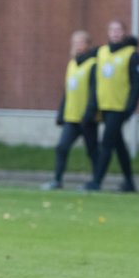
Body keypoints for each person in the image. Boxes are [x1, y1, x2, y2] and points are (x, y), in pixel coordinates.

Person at [83, 19, 139, 192]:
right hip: (104, 106)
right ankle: (129, 182)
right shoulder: (101, 52)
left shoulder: (131, 54)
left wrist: (130, 108)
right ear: (108, 33)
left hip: (119, 107)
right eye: (112, 30)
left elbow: (136, 84)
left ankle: (97, 181)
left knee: (107, 143)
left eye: (119, 30)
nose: (115, 33)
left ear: (124, 33)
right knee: (119, 145)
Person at [42, 30, 99, 190]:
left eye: (81, 43)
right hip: (71, 116)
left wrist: (90, 113)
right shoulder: (72, 64)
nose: (78, 46)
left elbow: (95, 91)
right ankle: (57, 179)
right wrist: (61, 113)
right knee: (61, 147)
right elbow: (67, 92)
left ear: (88, 45)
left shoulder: (92, 65)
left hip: (87, 118)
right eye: (75, 43)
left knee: (92, 151)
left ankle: (96, 181)